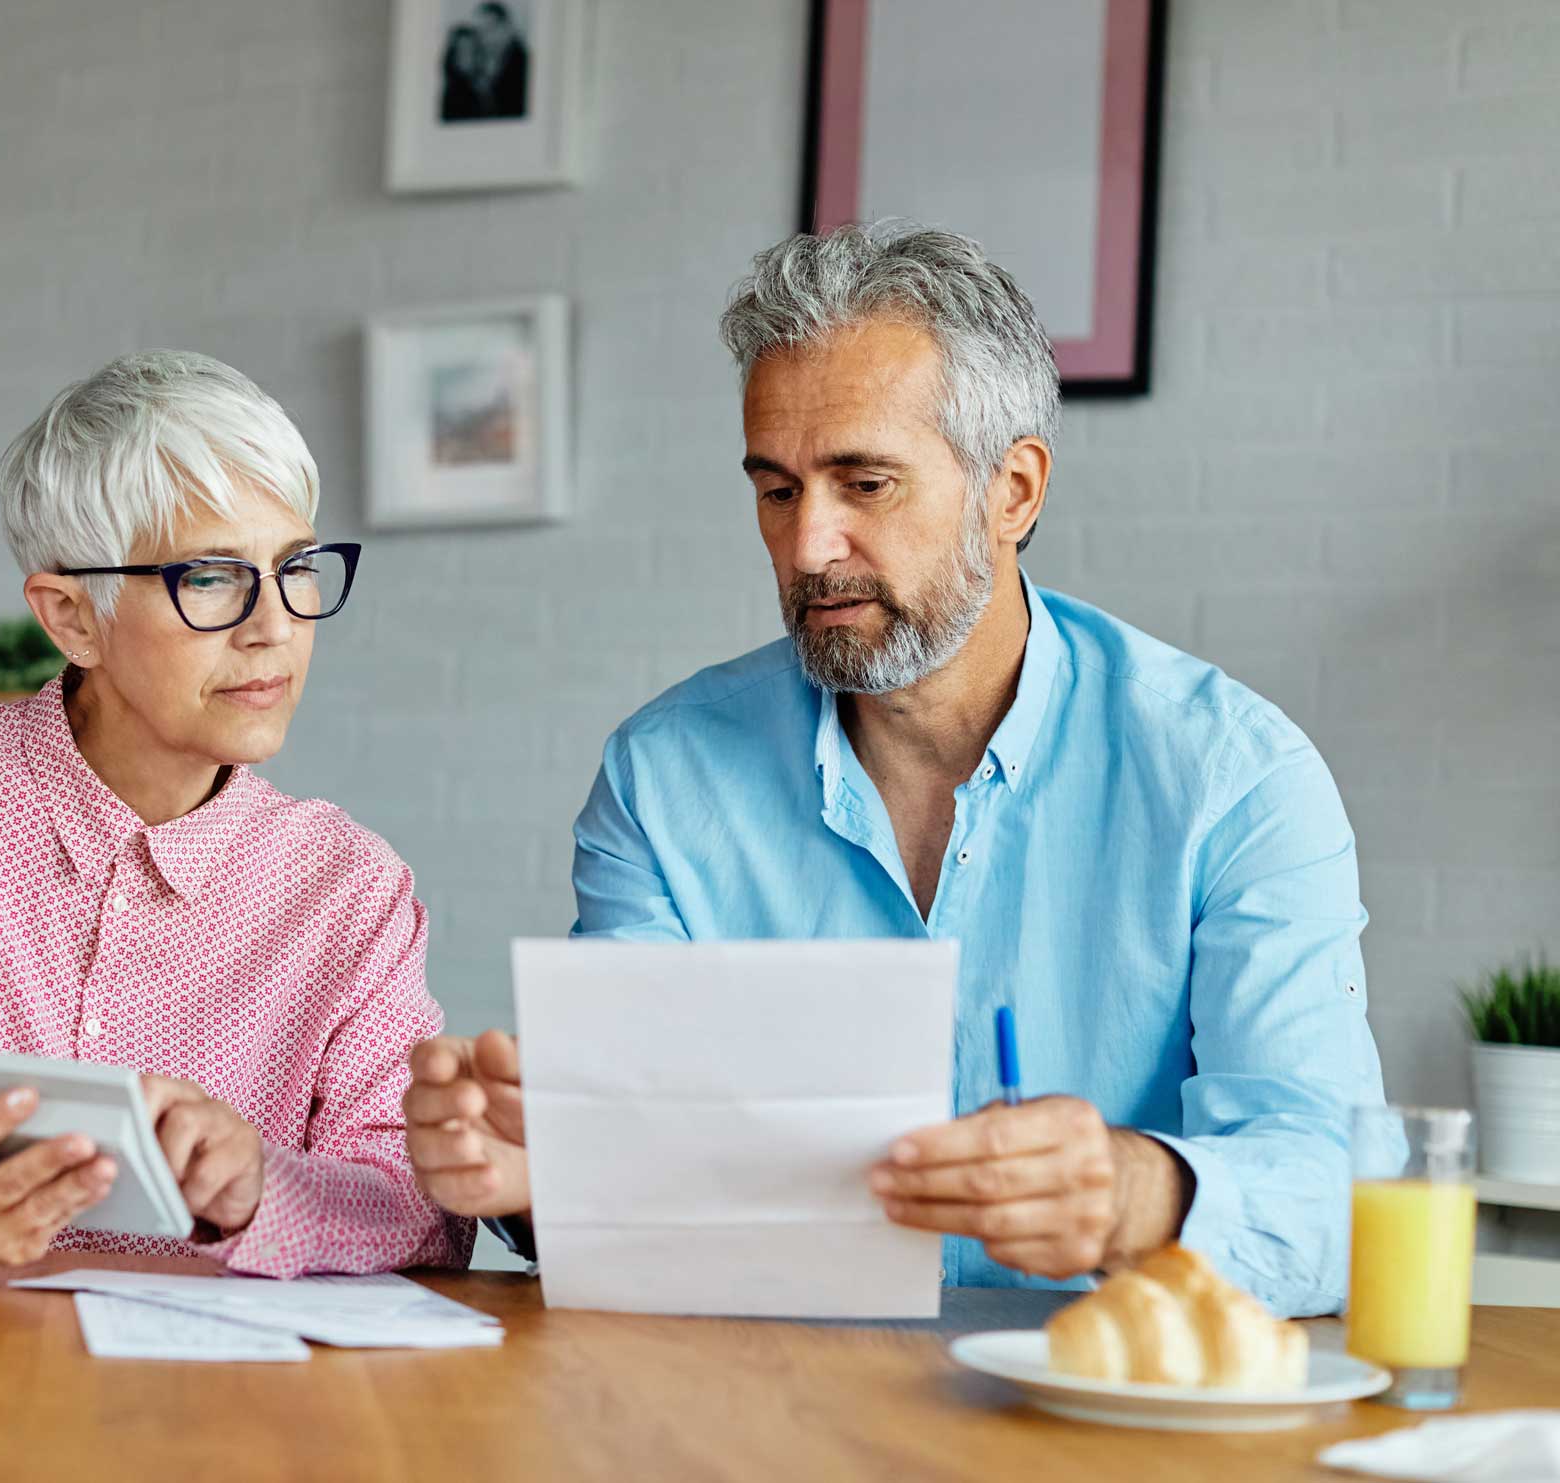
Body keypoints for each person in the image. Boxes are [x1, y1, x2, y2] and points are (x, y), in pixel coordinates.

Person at [404, 224, 1387, 1317]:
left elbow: (1343, 1199)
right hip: (773, 1403)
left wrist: (1135, 1193)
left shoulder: (1230, 778)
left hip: (1101, 1408)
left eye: (862, 484)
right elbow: (643, 1165)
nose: (807, 546)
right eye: (776, 491)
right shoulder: (662, 777)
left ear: (1010, 491)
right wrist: (548, 1185)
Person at [0, 351, 473, 1276]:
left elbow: (428, 1216)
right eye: (211, 577)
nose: (276, 628)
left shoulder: (351, 887)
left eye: (295, 568)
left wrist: (262, 1184)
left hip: (226, 1405)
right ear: (71, 618)